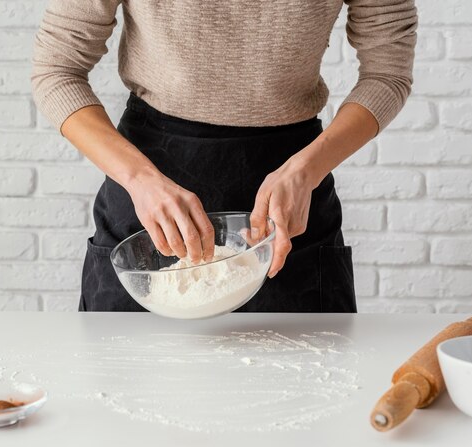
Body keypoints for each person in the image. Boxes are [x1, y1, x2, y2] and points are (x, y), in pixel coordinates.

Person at [31, 0, 418, 313]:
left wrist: (308, 169)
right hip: (147, 187)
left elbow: (388, 73)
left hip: (289, 194)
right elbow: (57, 69)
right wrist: (139, 180)